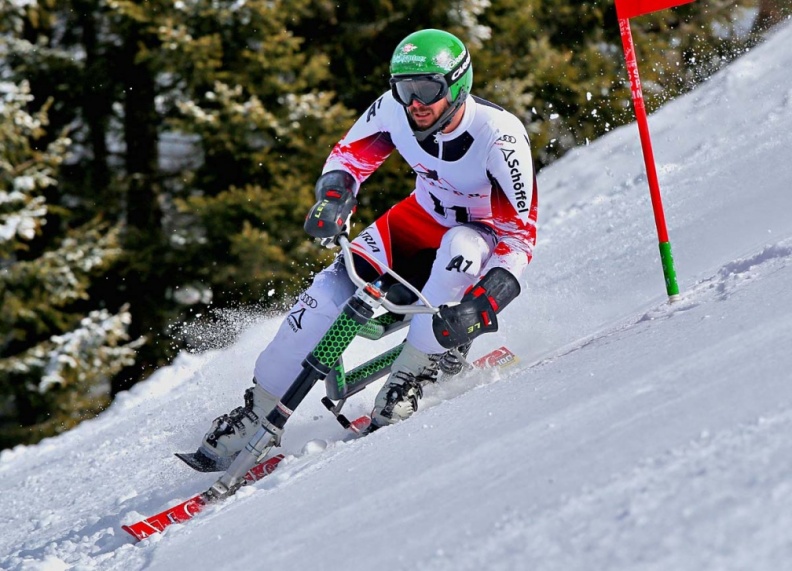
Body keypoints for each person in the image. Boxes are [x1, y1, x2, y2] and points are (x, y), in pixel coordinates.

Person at [193, 28, 538, 469]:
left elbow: (518, 238)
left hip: (480, 233)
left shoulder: (499, 136)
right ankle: (257, 409)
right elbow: (349, 158)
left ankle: (409, 377)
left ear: (458, 83)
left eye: (427, 88)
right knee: (326, 293)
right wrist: (334, 199)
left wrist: (484, 303)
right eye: (404, 88)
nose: (414, 102)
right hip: (418, 219)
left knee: (461, 245)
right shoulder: (396, 111)